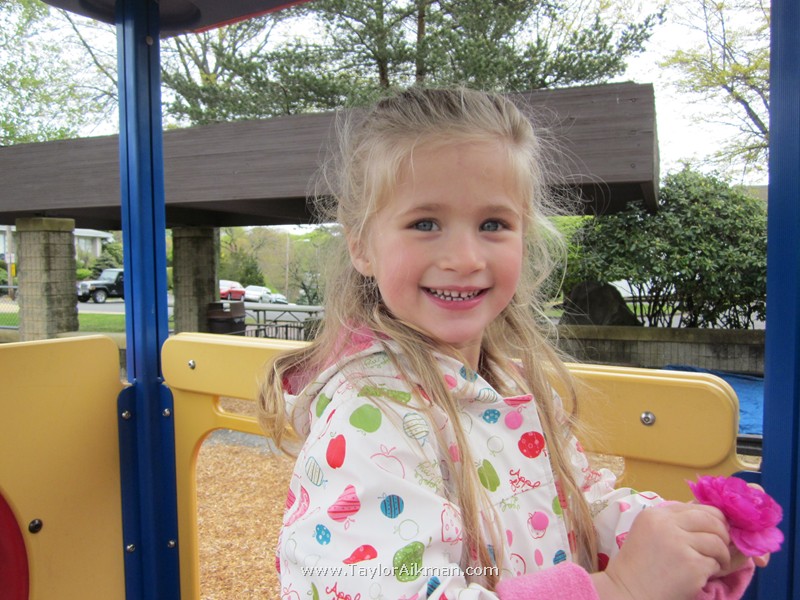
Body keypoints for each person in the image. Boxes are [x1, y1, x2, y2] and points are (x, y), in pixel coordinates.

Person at [258, 86, 760, 599]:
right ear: (362, 244)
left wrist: (677, 540)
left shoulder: (513, 386)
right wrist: (621, 587)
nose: (465, 258)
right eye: (425, 223)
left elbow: (577, 507)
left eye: (493, 224)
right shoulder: (370, 416)